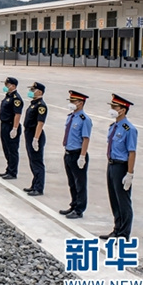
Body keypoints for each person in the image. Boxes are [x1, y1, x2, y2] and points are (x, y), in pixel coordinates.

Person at [100, 94, 138, 240]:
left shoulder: (129, 129)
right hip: (111, 165)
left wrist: (130, 173)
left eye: (114, 107)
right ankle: (116, 229)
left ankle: (124, 233)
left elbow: (132, 152)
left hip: (121, 167)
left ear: (122, 110)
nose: (112, 109)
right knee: (114, 199)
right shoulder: (113, 127)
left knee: (123, 201)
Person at [60, 90, 92, 219]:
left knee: (80, 183)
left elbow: (86, 138)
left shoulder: (84, 119)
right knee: (72, 182)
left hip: (78, 154)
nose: (71, 103)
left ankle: (79, 209)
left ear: (80, 103)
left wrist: (82, 156)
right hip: (68, 153)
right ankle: (73, 205)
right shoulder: (71, 117)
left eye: (73, 101)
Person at [23, 82, 47, 196]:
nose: (31, 92)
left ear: (40, 92)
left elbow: (40, 123)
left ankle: (39, 187)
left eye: (34, 90)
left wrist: (36, 139)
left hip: (34, 134)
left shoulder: (41, 106)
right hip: (29, 133)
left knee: (37, 161)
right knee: (32, 161)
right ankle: (34, 184)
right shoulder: (33, 103)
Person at [0, 77, 23, 179]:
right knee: (6, 148)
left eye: (7, 85)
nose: (6, 87)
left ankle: (13, 172)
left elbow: (17, 114)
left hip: (10, 125)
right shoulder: (8, 96)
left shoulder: (16, 98)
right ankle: (8, 169)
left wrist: (15, 128)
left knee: (12, 150)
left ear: (13, 86)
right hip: (4, 124)